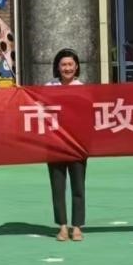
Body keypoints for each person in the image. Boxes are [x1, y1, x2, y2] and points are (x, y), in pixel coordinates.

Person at [46, 48, 87, 242]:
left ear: (76, 66)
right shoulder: (49, 87)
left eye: (70, 64)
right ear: (58, 67)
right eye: (63, 65)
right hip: (54, 145)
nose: (67, 68)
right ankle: (62, 227)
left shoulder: (83, 89)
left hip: (77, 145)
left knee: (78, 186)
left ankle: (76, 227)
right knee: (57, 186)